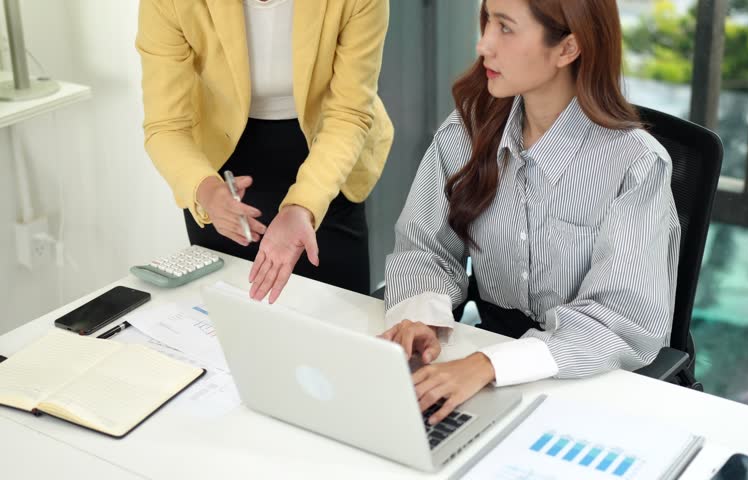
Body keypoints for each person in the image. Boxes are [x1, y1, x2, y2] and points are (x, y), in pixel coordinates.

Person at [380, 0, 680, 425]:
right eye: (487, 21)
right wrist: (421, 318)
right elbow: (425, 247)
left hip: (590, 387)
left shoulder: (635, 165)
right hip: (484, 373)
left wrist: (488, 364)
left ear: (567, 48)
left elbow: (619, 320)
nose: (483, 44)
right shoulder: (467, 131)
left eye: (505, 28)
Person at [136, 0, 393, 302]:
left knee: (339, 311)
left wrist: (304, 206)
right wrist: (207, 192)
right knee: (224, 315)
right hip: (221, 172)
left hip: (329, 163)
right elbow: (166, 125)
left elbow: (348, 115)